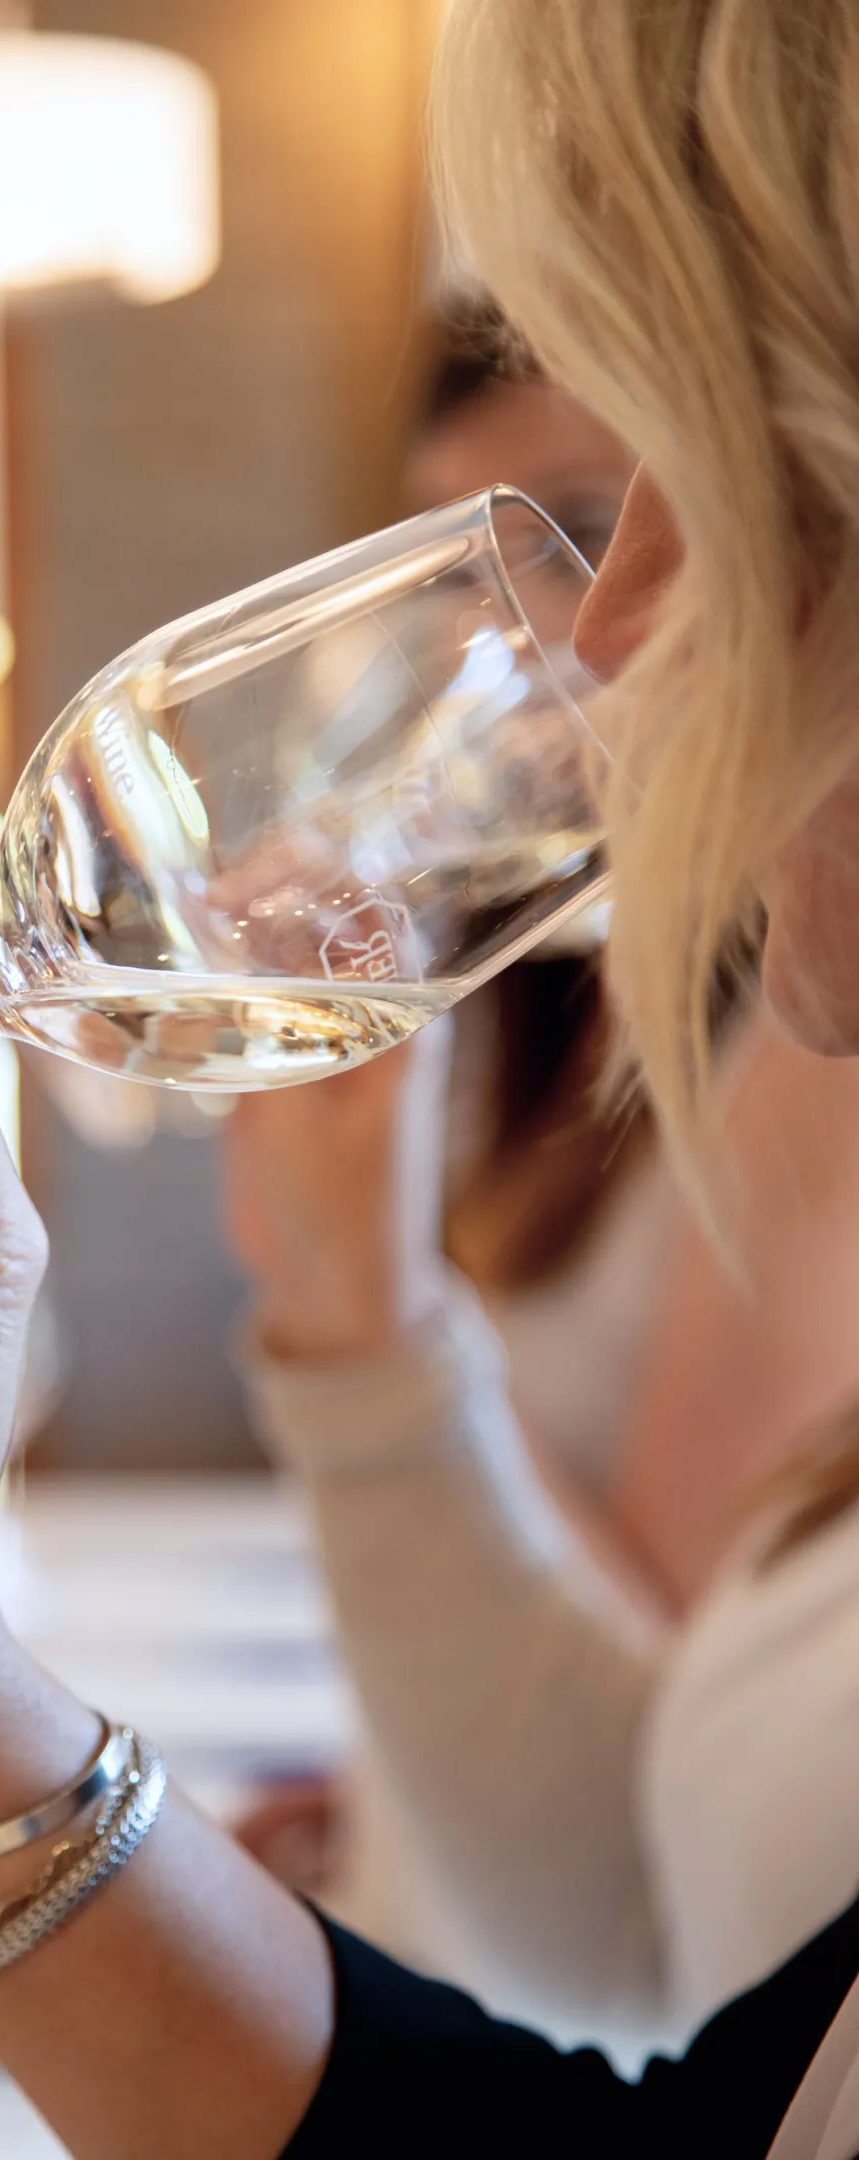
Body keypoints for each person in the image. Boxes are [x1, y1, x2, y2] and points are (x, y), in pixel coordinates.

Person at [0, 2, 859, 2152]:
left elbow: (607, 1930)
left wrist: (348, 1308)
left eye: (701, 470)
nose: (614, 639)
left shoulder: (753, 1106)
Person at [226, 315, 859, 2058]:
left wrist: (357, 1304)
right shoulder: (556, 1019)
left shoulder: (814, 1045)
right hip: (458, 1976)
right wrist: (365, 1839)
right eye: (463, 551)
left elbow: (669, 1788)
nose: (545, 624)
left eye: (584, 514)